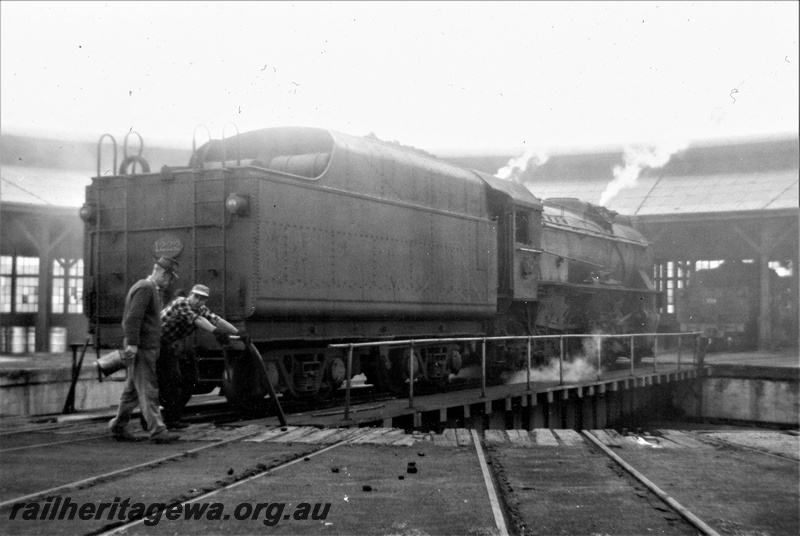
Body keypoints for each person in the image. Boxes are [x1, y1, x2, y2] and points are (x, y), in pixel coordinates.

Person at [109, 257, 181, 444]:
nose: (169, 283)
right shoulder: (145, 288)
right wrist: (133, 343)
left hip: (144, 347)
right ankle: (158, 431)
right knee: (149, 389)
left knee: (131, 391)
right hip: (142, 348)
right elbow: (133, 318)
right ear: (164, 274)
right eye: (169, 279)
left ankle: (118, 426)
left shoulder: (147, 288)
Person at [158, 284, 246, 428]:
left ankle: (172, 420)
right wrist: (215, 331)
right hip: (152, 344)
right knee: (160, 383)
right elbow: (197, 320)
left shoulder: (200, 309)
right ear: (190, 295)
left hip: (166, 345)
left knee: (182, 382)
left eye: (202, 299)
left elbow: (216, 319)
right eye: (196, 297)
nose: (198, 301)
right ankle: (151, 420)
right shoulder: (181, 303)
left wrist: (238, 333)